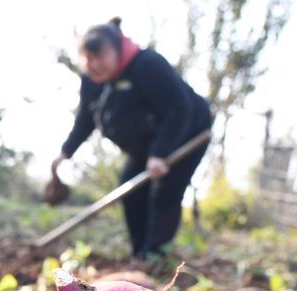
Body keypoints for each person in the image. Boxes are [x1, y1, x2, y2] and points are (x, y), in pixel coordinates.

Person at [52, 18, 212, 259]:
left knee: (166, 193)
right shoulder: (92, 81)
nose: (95, 64)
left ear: (115, 49)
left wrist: (160, 153)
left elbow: (179, 109)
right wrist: (66, 151)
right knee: (131, 192)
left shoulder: (147, 66)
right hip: (145, 145)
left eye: (100, 56)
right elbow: (86, 117)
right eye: (89, 58)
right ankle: (139, 253)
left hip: (186, 133)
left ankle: (154, 255)